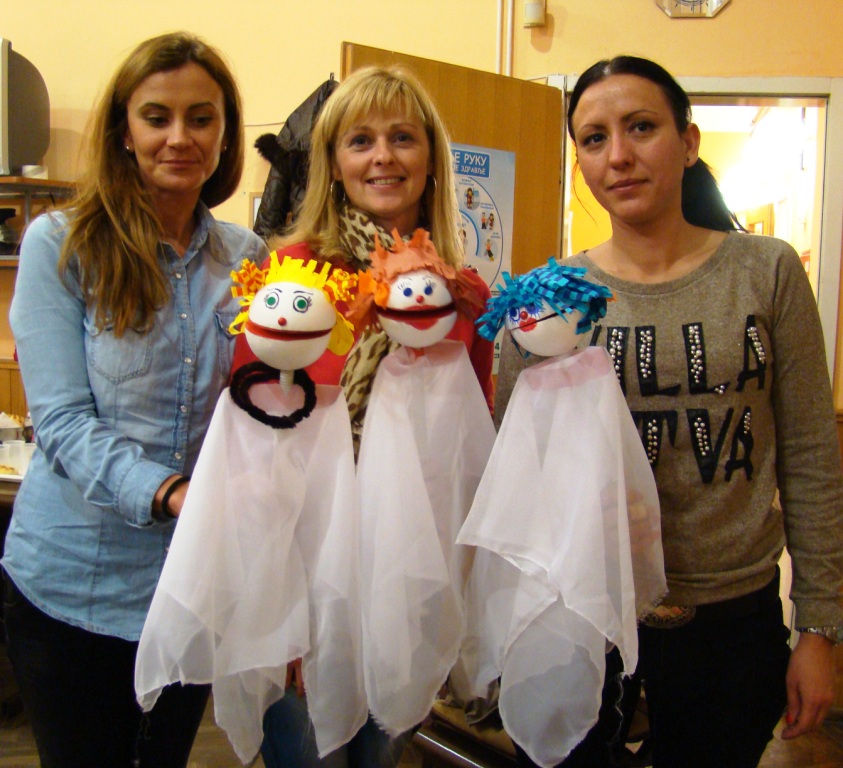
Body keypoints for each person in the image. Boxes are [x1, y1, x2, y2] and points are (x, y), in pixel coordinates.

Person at [494, 55, 843, 768]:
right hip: (585, 610)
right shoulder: (548, 297)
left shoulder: (765, 270)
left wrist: (819, 627)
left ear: (687, 142)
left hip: (730, 616)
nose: (617, 156)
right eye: (594, 139)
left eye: (641, 127)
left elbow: (811, 454)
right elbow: (515, 467)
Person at [1, 32, 267, 767]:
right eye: (157, 117)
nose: (180, 137)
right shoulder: (59, 244)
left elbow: (257, 406)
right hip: (72, 586)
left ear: (225, 134)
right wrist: (172, 492)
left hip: (191, 584)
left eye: (201, 118)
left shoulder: (248, 258)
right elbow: (61, 422)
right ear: (124, 130)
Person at [231, 64, 495, 768]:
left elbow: (470, 456)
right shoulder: (293, 277)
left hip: (406, 585)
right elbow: (252, 450)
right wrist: (280, 610)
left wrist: (447, 600)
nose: (383, 156)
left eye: (402, 137)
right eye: (360, 140)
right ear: (333, 163)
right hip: (304, 583)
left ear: (430, 160)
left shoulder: (459, 295)